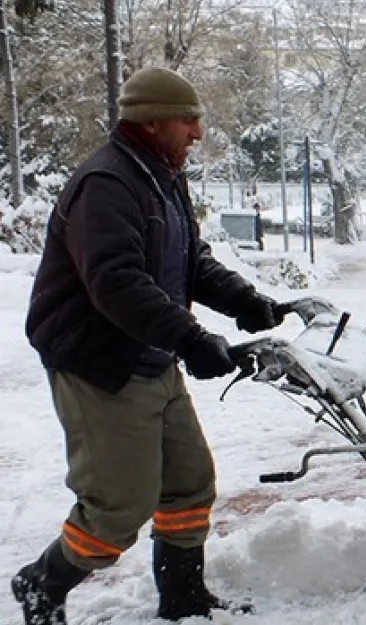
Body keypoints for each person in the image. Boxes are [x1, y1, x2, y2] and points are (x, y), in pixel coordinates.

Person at [11, 67, 284, 624]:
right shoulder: (105, 185)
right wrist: (193, 339)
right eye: (188, 119)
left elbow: (188, 261)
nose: (198, 132)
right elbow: (117, 283)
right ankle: (41, 582)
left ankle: (184, 598)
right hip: (101, 364)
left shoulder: (160, 175)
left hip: (152, 356)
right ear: (152, 121)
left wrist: (246, 301)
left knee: (189, 485)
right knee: (117, 509)